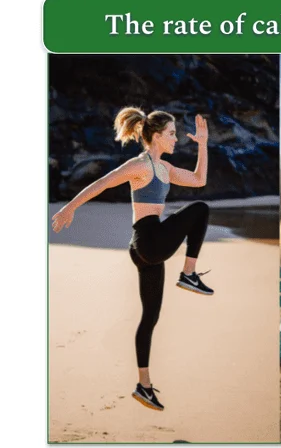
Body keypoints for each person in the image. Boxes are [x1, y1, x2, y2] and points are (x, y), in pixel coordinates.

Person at [51, 107, 215, 411]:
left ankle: (144, 386)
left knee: (149, 318)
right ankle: (188, 274)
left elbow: (199, 179)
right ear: (155, 136)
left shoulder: (164, 169)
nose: (176, 139)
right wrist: (68, 208)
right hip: (148, 240)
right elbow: (102, 183)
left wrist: (203, 144)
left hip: (146, 249)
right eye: (171, 134)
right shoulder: (139, 165)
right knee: (200, 210)